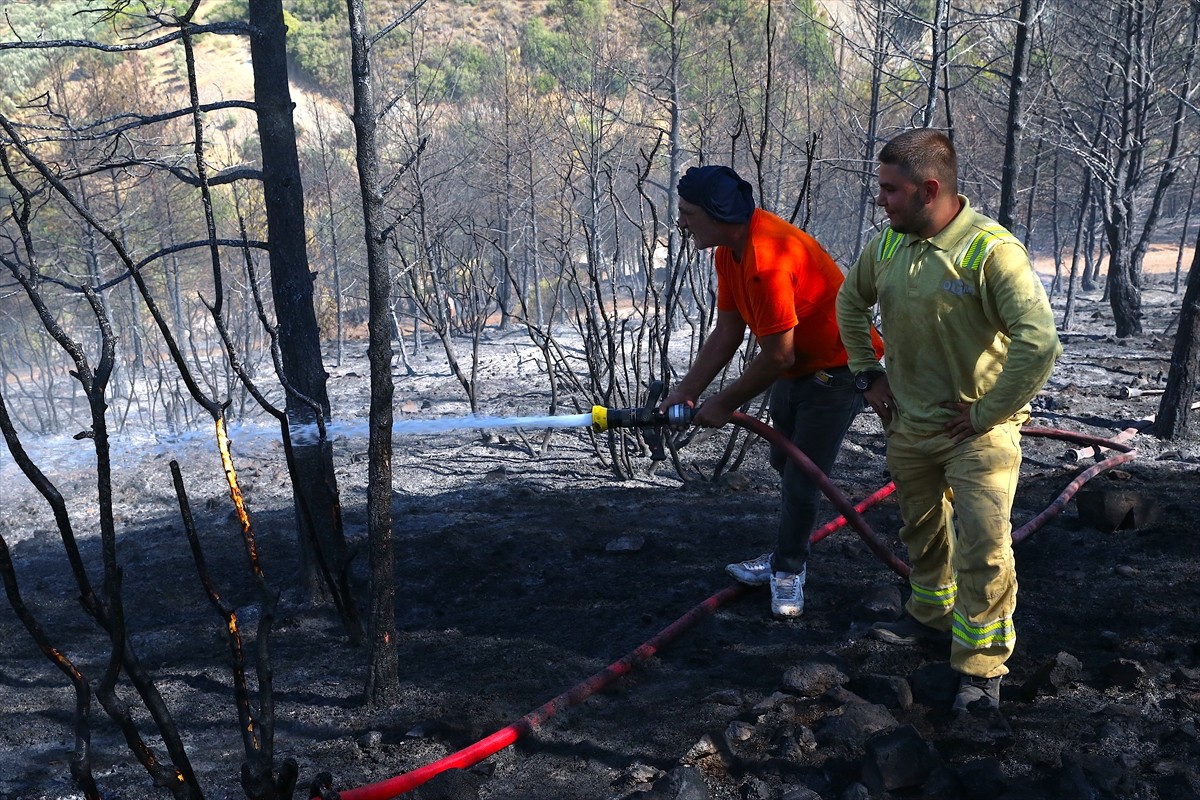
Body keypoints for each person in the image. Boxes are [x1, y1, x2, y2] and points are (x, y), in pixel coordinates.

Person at [835, 129, 1061, 714]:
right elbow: (849, 302)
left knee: (984, 548)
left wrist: (989, 411)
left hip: (978, 432)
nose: (879, 201)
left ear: (928, 189)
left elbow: (1039, 342)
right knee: (922, 531)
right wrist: (868, 373)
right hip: (909, 424)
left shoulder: (990, 252)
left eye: (890, 190)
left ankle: (982, 667)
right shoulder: (889, 246)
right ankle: (929, 617)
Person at [661, 164, 882, 619]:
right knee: (784, 459)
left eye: (688, 213)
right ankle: (789, 546)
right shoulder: (730, 251)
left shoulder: (766, 260)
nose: (681, 222)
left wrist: (723, 403)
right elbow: (727, 330)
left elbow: (777, 356)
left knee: (803, 475)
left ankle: (788, 569)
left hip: (838, 370)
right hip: (798, 369)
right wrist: (687, 391)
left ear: (717, 214)